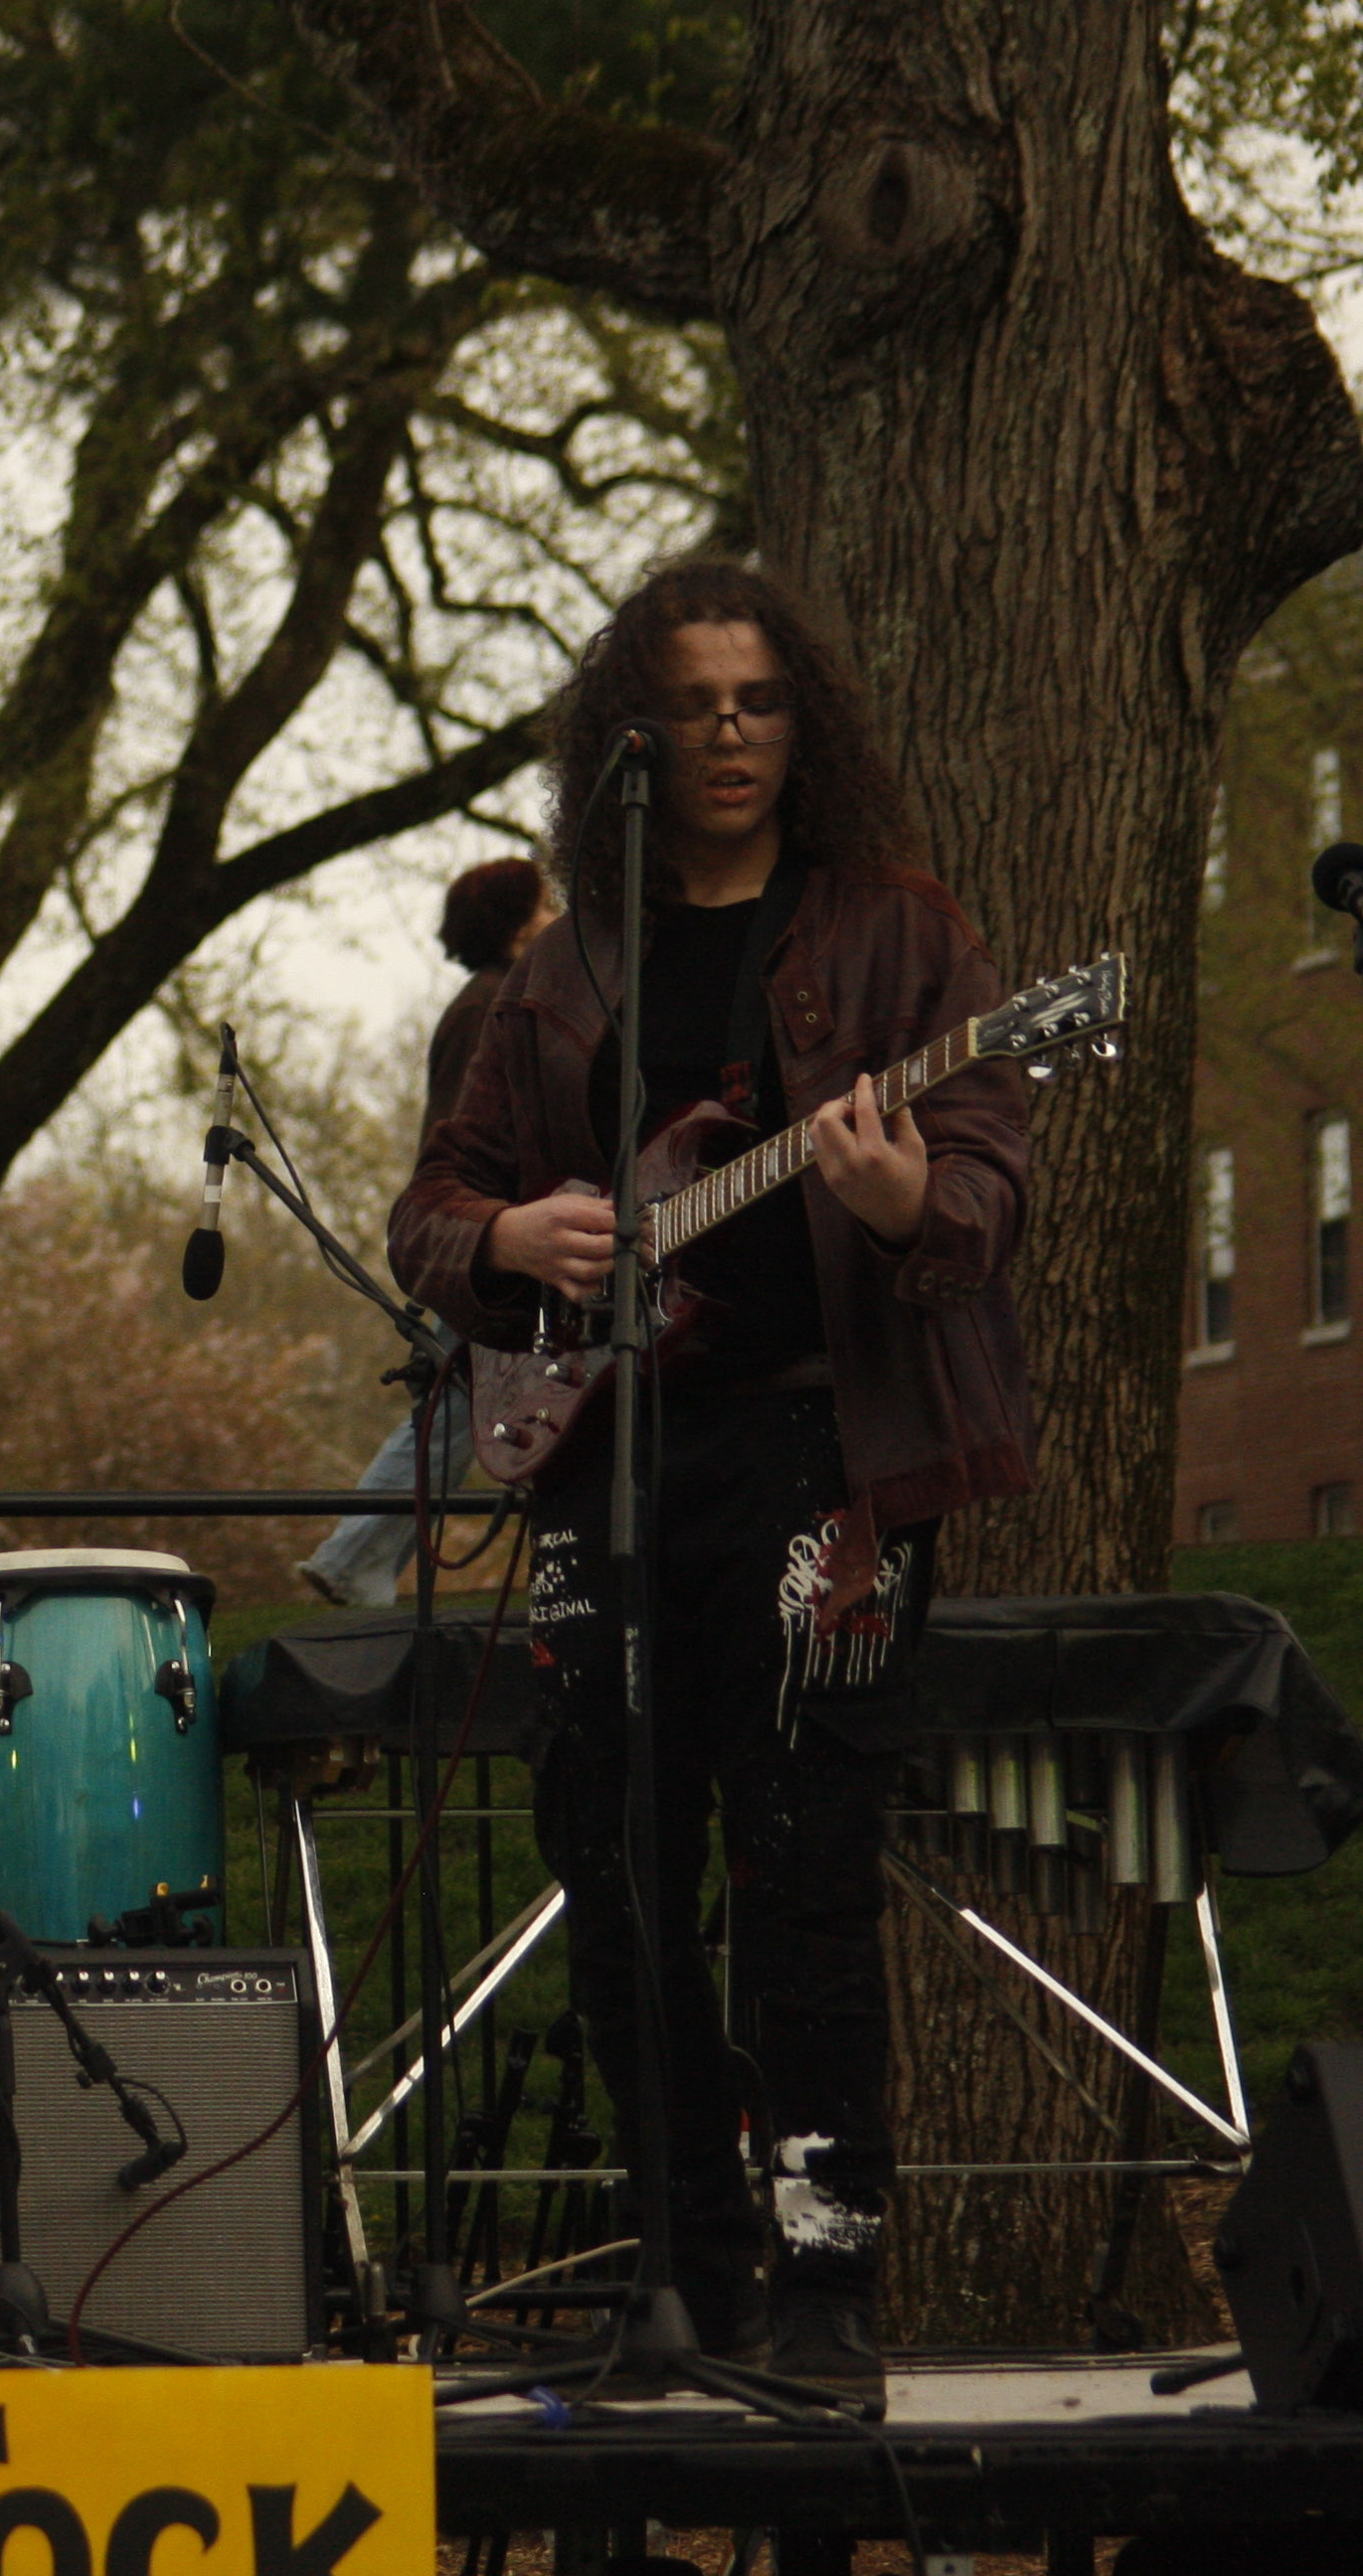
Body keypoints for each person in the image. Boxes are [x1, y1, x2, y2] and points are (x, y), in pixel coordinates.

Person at [390, 557, 1032, 2405]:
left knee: (803, 1862)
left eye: (757, 700)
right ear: (631, 732)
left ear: (798, 718)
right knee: (608, 1856)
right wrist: (511, 1226)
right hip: (606, 1460)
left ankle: (828, 2289)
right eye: (691, 705)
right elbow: (429, 1214)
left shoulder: (896, 933)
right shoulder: (560, 966)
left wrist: (904, 1195)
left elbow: (984, 1177)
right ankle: (684, 2268)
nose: (729, 733)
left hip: (824, 1447)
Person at [299, 858, 558, 1607]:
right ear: (517, 926)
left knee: (457, 1406)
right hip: (487, 1246)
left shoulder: (480, 1001)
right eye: (544, 908)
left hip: (480, 1238)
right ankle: (355, 1556)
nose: (555, 919)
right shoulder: (493, 1006)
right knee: (455, 1407)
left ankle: (361, 1556)